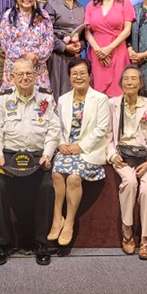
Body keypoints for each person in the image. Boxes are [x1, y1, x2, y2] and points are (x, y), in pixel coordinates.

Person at [0, 58, 60, 266]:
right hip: (8, 156)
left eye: (29, 73)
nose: (25, 77)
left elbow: (54, 130)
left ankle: (41, 243)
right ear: (12, 77)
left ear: (35, 75)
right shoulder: (3, 99)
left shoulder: (46, 97)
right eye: (20, 74)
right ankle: (2, 244)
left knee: (47, 187)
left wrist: (47, 154)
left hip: (38, 157)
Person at [51, 57, 109, 246]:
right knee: (58, 175)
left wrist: (81, 146)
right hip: (67, 149)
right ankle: (56, 217)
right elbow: (56, 126)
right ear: (69, 77)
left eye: (82, 73)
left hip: (88, 150)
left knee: (74, 177)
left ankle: (69, 222)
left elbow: (101, 129)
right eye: (74, 74)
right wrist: (60, 144)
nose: (78, 77)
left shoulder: (100, 99)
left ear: (90, 76)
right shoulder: (62, 99)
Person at [106, 65, 147, 260]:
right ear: (120, 83)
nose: (129, 82)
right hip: (123, 155)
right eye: (126, 78)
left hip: (145, 156)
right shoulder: (112, 103)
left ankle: (145, 239)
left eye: (134, 79)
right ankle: (127, 230)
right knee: (129, 182)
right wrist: (112, 155)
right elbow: (107, 135)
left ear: (140, 83)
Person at [84, 0, 135, 97]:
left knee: (118, 92)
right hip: (97, 53)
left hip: (118, 51)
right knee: (97, 94)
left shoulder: (125, 3)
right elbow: (87, 31)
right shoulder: (91, 5)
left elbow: (127, 30)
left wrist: (109, 48)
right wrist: (98, 50)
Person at [0, 0, 54, 91]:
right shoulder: (9, 16)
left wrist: (35, 56)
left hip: (37, 67)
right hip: (15, 68)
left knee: (39, 104)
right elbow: (5, 42)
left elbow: (49, 40)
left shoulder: (43, 15)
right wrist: (25, 56)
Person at [44, 0, 86, 99]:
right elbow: (46, 33)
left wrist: (81, 45)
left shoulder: (81, 9)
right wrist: (64, 47)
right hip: (56, 57)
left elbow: (85, 36)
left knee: (75, 93)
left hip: (75, 57)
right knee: (57, 93)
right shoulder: (51, 4)